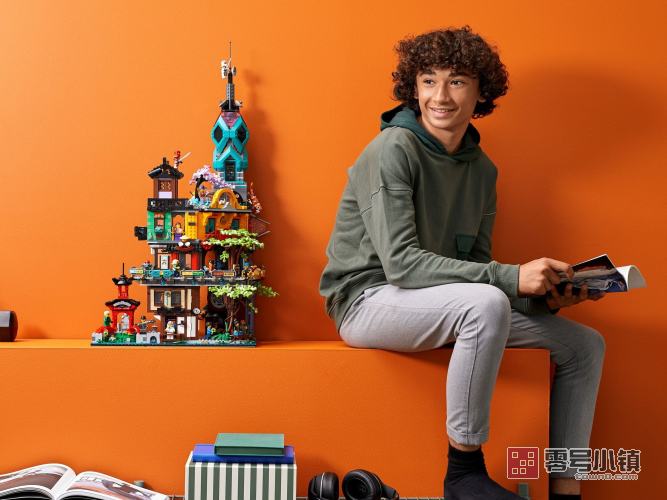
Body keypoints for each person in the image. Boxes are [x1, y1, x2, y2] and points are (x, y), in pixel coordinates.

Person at [319, 26, 606, 500]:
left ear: (480, 92)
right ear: (413, 89)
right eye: (428, 81)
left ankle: (566, 487)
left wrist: (545, 299)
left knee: (584, 345)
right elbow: (402, 266)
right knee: (485, 302)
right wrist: (512, 278)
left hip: (438, 304)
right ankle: (464, 472)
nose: (441, 96)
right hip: (366, 301)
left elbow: (473, 268)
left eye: (456, 81)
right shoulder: (392, 149)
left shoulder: (482, 170)